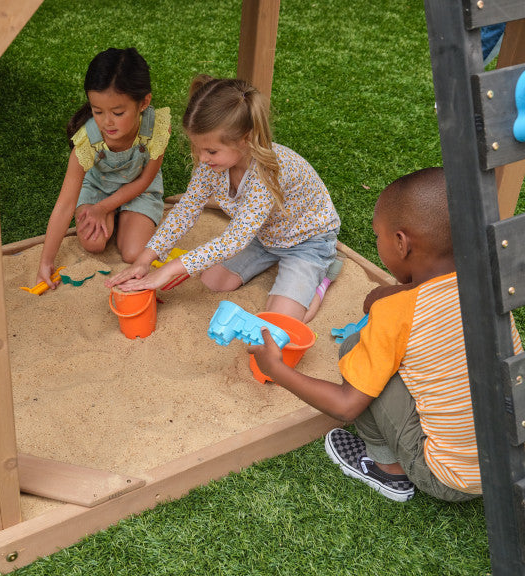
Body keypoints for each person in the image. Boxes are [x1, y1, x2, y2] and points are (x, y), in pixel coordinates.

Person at [248, 167, 523, 502]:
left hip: (451, 478)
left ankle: (387, 471)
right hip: (510, 456)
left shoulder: (397, 315)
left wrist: (279, 370)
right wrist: (388, 295)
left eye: (377, 236)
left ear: (401, 243)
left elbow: (346, 406)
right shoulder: (492, 282)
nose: (377, 242)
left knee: (354, 346)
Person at [106, 76, 341, 323]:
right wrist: (145, 260)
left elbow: (234, 239)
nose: (202, 158)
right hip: (262, 235)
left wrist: (169, 269)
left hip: (306, 241)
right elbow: (186, 210)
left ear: (245, 139)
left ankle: (323, 281)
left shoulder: (269, 172)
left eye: (211, 151)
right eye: (197, 148)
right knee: (213, 281)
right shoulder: (213, 165)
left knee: (279, 322)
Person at [36, 47, 171, 288]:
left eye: (118, 112)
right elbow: (65, 203)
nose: (107, 122)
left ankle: (121, 216)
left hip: (140, 189)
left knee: (134, 253)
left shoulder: (157, 128)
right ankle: (115, 217)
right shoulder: (87, 142)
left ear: (144, 103)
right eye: (97, 111)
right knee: (93, 243)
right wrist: (46, 260)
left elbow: (144, 180)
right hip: (98, 188)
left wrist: (103, 208)